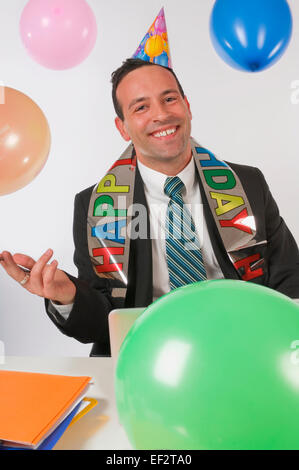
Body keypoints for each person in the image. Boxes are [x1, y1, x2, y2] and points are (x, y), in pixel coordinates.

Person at [1, 58, 299, 357]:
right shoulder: (96, 207)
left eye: (169, 99)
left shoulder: (246, 184)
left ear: (187, 106)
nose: (161, 114)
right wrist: (68, 297)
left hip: (242, 347)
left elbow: (289, 278)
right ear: (123, 128)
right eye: (141, 107)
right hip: (147, 357)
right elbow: (101, 325)